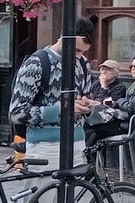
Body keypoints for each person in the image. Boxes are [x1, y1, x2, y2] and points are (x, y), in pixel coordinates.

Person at [9, 17, 101, 169]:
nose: (78, 56)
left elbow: (85, 95)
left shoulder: (83, 63)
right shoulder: (36, 63)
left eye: (83, 51)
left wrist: (87, 104)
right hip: (45, 147)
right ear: (62, 38)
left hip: (77, 144)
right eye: (76, 50)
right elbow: (16, 113)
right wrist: (61, 109)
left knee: (74, 192)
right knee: (43, 192)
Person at [83, 59, 131, 147]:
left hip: (111, 121)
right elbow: (90, 100)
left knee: (92, 132)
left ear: (115, 73)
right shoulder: (96, 84)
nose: (104, 72)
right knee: (83, 129)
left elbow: (103, 106)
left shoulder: (120, 87)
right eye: (102, 69)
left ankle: (88, 156)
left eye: (108, 70)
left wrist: (104, 87)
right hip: (93, 119)